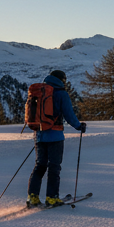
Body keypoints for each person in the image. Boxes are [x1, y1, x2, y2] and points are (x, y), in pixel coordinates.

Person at [28, 70, 86, 207]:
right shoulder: (61, 94)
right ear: (62, 80)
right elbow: (69, 114)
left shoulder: (39, 92)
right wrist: (79, 126)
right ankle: (52, 197)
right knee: (54, 167)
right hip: (55, 135)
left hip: (39, 135)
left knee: (40, 166)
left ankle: (32, 197)